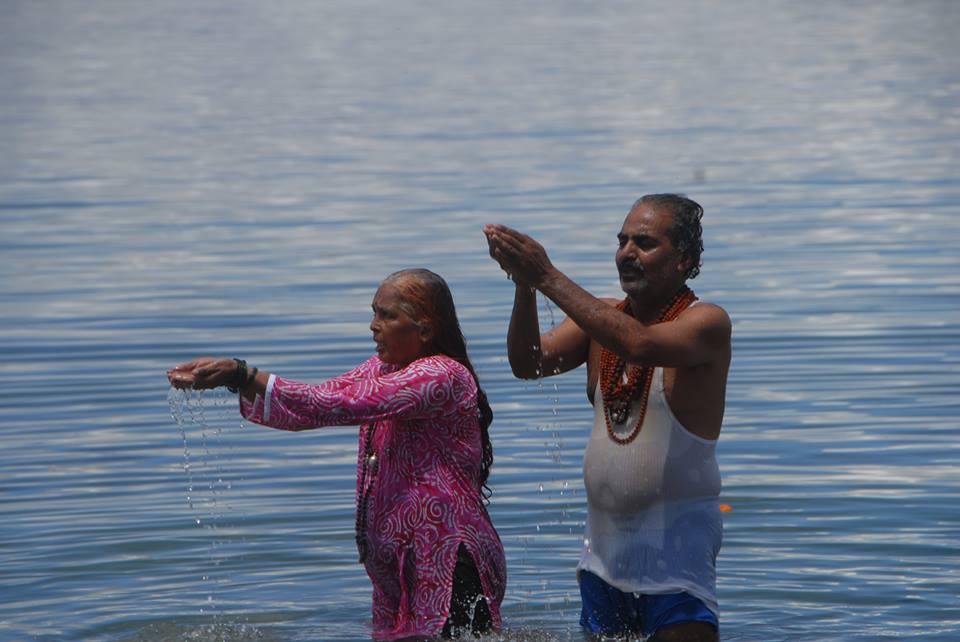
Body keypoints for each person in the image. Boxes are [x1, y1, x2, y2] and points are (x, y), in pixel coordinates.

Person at [167, 269, 507, 641]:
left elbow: (341, 404)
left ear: (425, 329)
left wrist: (244, 374)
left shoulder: (442, 375)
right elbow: (317, 402)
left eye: (387, 315)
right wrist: (235, 381)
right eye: (374, 312)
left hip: (447, 561)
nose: (373, 326)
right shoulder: (384, 369)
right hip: (401, 564)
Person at [484, 194, 730, 642]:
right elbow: (528, 362)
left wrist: (547, 276)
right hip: (603, 562)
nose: (627, 253)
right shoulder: (599, 320)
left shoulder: (708, 323)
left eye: (644, 242)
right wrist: (525, 286)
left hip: (677, 567)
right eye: (622, 241)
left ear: (685, 260)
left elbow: (640, 344)